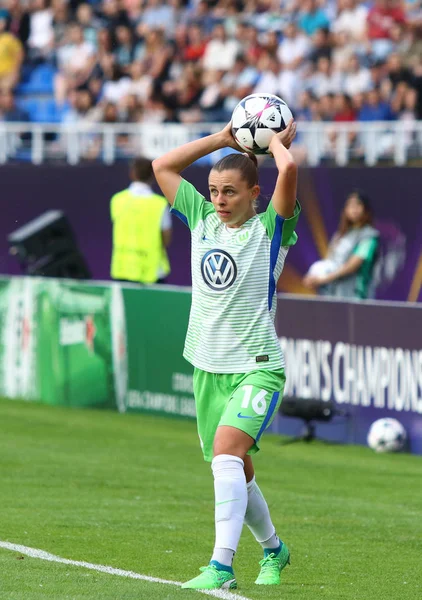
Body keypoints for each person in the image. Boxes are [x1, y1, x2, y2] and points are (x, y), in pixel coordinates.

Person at [152, 119, 300, 590]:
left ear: (255, 193)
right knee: (238, 468)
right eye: (214, 190)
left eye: (230, 192)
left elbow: (290, 167)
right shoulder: (200, 218)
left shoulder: (270, 229)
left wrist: (274, 142)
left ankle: (221, 566)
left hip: (257, 368)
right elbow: (162, 165)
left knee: (225, 456)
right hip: (207, 366)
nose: (219, 199)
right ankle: (275, 550)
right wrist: (220, 139)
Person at [303, 190, 379, 299]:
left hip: (357, 296)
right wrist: (313, 277)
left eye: (358, 204)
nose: (354, 209)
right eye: (350, 205)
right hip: (334, 293)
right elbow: (329, 262)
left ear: (366, 210)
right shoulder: (340, 235)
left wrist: (323, 279)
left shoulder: (369, 236)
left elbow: (352, 266)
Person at [110, 157, 172, 284]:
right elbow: (166, 238)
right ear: (153, 176)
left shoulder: (117, 200)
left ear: (132, 173)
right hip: (152, 270)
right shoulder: (159, 204)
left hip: (122, 268)